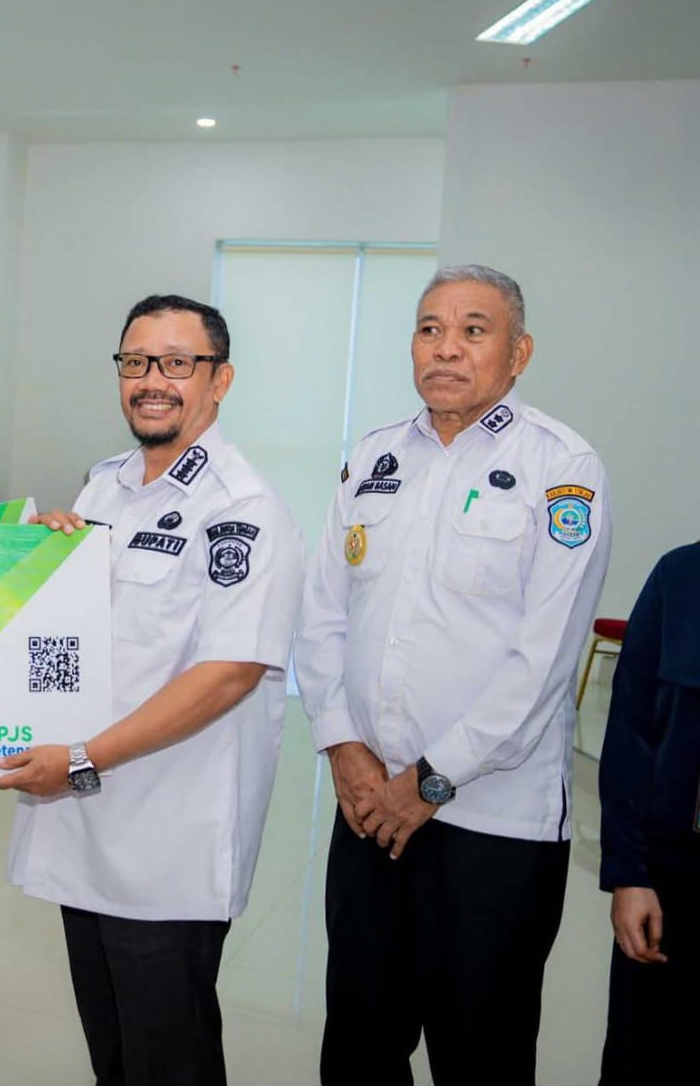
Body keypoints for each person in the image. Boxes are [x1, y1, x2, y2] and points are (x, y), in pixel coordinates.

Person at [293, 263, 612, 1085]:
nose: (446, 348)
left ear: (519, 353)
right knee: (358, 1048)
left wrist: (430, 781)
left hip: (491, 826)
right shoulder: (374, 456)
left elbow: (542, 663)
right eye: (430, 329)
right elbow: (323, 613)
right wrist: (342, 747)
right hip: (370, 809)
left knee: (480, 1057)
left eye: (474, 330)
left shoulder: (561, 468)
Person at [0, 294, 305, 1086]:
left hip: (168, 845)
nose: (151, 380)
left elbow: (228, 673)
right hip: (86, 824)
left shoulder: (242, 507)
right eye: (135, 362)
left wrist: (82, 758)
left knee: (168, 1061)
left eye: (176, 363)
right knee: (115, 1055)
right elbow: (76, 640)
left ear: (219, 379)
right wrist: (33, 570)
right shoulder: (104, 488)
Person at [597, 542, 700, 1086]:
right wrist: (629, 875)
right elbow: (629, 733)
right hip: (672, 881)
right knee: (644, 1057)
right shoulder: (679, 576)